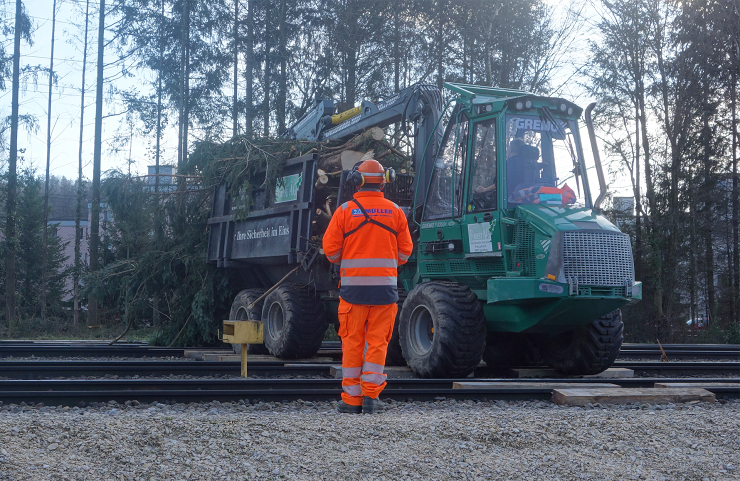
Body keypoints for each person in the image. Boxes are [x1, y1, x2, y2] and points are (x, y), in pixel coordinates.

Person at [322, 159, 413, 414]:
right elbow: (405, 253)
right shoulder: (395, 211)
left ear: (356, 181)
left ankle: (352, 401)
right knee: (377, 345)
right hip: (384, 293)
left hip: (353, 293)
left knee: (352, 344)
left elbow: (330, 252)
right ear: (385, 181)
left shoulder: (344, 211)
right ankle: (371, 398)